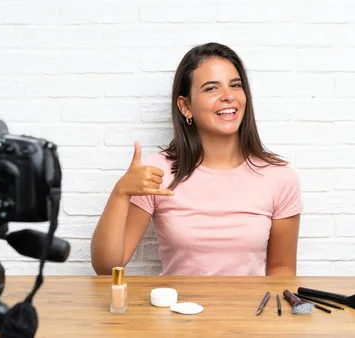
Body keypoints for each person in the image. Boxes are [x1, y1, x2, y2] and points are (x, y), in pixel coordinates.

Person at [90, 42, 303, 276]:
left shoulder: (279, 177)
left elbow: (282, 269)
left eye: (235, 85)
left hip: (247, 312)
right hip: (175, 310)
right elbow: (107, 267)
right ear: (185, 106)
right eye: (211, 88)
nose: (228, 96)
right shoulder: (157, 172)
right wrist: (120, 192)